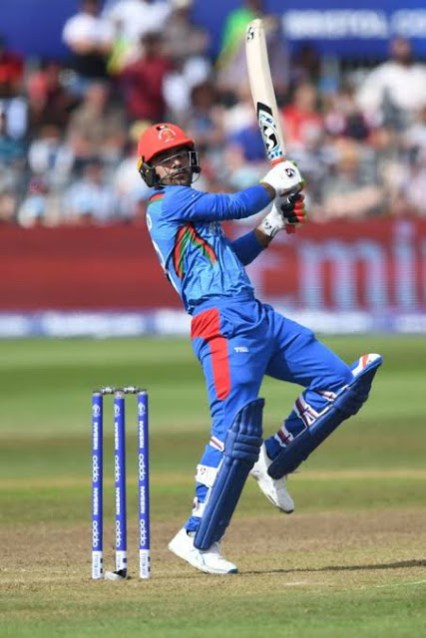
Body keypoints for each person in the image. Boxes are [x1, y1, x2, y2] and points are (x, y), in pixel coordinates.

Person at [136, 122, 383, 575]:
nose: (175, 165)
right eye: (164, 160)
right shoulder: (167, 204)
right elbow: (236, 204)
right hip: (222, 323)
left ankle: (276, 460)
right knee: (235, 431)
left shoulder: (193, 212)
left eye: (180, 156)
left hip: (255, 315)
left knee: (339, 384)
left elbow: (234, 256)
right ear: (150, 171)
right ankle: (196, 536)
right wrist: (274, 184)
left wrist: (273, 223)